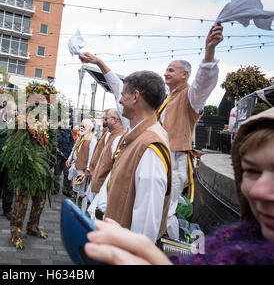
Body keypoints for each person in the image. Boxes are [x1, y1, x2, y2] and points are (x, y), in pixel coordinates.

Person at [80, 22, 224, 240]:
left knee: (162, 216)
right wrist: (100, 63)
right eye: (165, 69)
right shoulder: (162, 103)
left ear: (185, 75)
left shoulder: (190, 97)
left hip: (169, 160)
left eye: (171, 69)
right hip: (153, 154)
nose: (165, 72)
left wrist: (210, 51)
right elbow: (121, 88)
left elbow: (203, 84)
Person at [84, 107, 274, 265]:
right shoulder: (230, 245)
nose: (259, 190)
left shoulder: (151, 146)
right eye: (252, 171)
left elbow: (149, 209)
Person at [87, 108, 126, 221]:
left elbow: (114, 166)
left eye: (106, 118)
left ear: (114, 120)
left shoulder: (119, 137)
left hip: (103, 187)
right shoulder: (110, 135)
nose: (104, 121)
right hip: (98, 182)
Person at [66, 119, 97, 212]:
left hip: (83, 169)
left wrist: (88, 169)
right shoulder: (81, 137)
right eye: (81, 126)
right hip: (76, 166)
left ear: (90, 128)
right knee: (76, 189)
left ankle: (81, 212)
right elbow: (74, 148)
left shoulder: (92, 139)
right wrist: (69, 158)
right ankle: (75, 209)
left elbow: (92, 156)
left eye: (84, 126)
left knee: (82, 192)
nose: (81, 128)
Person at [54, 119, 75, 196]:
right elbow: (54, 143)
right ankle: (55, 190)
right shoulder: (56, 131)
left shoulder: (68, 131)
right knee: (57, 173)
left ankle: (66, 190)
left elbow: (72, 142)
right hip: (58, 156)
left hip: (66, 157)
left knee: (67, 173)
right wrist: (59, 152)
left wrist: (68, 153)